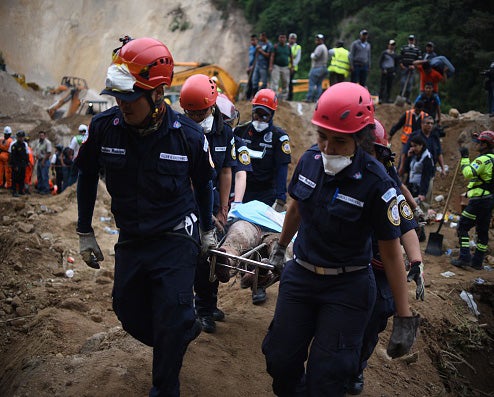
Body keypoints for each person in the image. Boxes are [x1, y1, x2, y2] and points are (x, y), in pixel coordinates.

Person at [75, 37, 215, 396]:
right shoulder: (104, 127)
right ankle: (182, 328)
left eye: (129, 96)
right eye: (117, 96)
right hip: (133, 237)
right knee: (127, 309)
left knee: (171, 313)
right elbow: (87, 175)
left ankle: (165, 385)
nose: (121, 104)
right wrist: (84, 231)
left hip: (175, 235)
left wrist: (206, 231)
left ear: (158, 93)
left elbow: (203, 183)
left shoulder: (188, 136)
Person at [262, 82, 418, 396]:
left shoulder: (378, 184)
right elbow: (295, 210)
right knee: (279, 358)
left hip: (348, 287)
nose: (328, 148)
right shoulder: (309, 161)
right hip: (302, 276)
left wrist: (403, 317)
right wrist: (279, 249)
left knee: (329, 373)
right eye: (322, 137)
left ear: (360, 140)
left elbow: (390, 254)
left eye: (339, 141)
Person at [347, 119, 425, 395]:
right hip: (347, 262)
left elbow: (406, 224)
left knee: (377, 315)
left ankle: (356, 367)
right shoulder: (341, 176)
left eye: (374, 154)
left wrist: (415, 262)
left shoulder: (387, 183)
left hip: (380, 266)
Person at [179, 74, 236, 334]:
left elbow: (225, 171)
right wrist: (203, 213)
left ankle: (207, 306)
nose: (196, 117)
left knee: (209, 256)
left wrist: (222, 210)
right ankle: (192, 309)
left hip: (212, 204)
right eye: (191, 112)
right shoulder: (181, 130)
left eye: (200, 111)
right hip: (186, 204)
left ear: (211, 106)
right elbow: (190, 177)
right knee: (189, 258)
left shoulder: (224, 133)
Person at [234, 88, 291, 210]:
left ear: (272, 115)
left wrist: (281, 200)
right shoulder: (240, 131)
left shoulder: (279, 137)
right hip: (241, 190)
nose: (259, 120)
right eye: (256, 115)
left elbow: (282, 169)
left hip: (266, 193)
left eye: (264, 116)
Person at [451, 131, 494, 270]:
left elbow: (468, 173)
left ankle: (464, 257)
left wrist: (464, 157)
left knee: (463, 226)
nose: (478, 145)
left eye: (481, 142)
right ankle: (477, 262)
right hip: (488, 200)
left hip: (478, 201)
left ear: (486, 145)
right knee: (482, 231)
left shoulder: (483, 159)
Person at [400, 116, 446, 198]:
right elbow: (405, 152)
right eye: (428, 123)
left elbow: (439, 153)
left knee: (425, 195)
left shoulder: (434, 137)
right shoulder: (415, 136)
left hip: (429, 170)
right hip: (415, 169)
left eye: (432, 123)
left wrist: (443, 168)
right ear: (422, 124)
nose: (430, 125)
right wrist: (402, 167)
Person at [405, 134, 435, 207]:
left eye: (415, 146)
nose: (413, 148)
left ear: (421, 145)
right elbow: (408, 169)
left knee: (421, 207)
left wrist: (422, 193)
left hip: (422, 186)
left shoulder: (427, 157)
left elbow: (426, 176)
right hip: (413, 186)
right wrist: (408, 157)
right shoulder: (414, 155)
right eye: (412, 146)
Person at [399, 34, 422, 104]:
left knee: (410, 84)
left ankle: (407, 98)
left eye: (412, 40)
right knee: (403, 82)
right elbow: (400, 57)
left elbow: (419, 59)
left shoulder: (417, 49)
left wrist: (414, 66)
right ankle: (401, 96)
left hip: (412, 68)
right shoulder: (404, 48)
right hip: (404, 67)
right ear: (408, 40)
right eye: (410, 40)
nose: (411, 41)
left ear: (414, 41)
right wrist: (401, 65)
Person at [305, 34, 328, 103]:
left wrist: (312, 55)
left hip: (317, 68)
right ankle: (317, 99)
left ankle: (309, 98)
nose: (317, 40)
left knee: (312, 84)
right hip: (323, 68)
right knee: (319, 84)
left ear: (321, 40)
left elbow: (315, 56)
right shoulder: (325, 47)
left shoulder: (320, 47)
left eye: (318, 39)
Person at [269, 33, 293, 101]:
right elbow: (272, 56)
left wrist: (292, 66)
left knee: (285, 82)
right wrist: (270, 66)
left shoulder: (288, 47)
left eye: (283, 38)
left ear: (286, 39)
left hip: (285, 67)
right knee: (275, 82)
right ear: (278, 38)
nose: (282, 39)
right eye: (281, 37)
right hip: (276, 66)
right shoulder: (275, 47)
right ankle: (273, 98)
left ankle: (283, 99)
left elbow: (291, 57)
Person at [251, 32, 272, 97]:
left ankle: (262, 95)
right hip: (257, 64)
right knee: (254, 80)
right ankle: (254, 96)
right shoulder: (260, 44)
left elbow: (269, 55)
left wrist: (261, 51)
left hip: (264, 66)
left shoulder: (269, 45)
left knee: (264, 82)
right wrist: (257, 49)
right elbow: (255, 53)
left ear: (264, 37)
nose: (260, 38)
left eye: (261, 37)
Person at [8, 130, 29, 197]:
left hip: (23, 164)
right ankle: (14, 192)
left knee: (22, 178)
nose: (21, 138)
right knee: (15, 178)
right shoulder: (14, 146)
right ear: (17, 137)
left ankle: (20, 190)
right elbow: (13, 157)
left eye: (22, 137)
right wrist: (15, 165)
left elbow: (25, 154)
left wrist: (27, 162)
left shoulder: (24, 144)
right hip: (17, 164)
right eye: (20, 137)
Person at [31, 130, 52, 194]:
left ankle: (46, 189)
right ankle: (40, 188)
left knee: (44, 176)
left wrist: (43, 161)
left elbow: (48, 153)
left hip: (45, 161)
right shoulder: (39, 142)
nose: (41, 136)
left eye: (42, 135)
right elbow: (37, 151)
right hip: (39, 160)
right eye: (40, 135)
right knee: (39, 175)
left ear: (45, 136)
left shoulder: (47, 143)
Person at [378, 39, 398, 104]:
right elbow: (380, 62)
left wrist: (395, 71)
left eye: (393, 45)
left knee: (389, 85)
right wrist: (383, 69)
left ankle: (387, 99)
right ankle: (380, 98)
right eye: (391, 45)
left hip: (391, 71)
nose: (392, 46)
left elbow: (396, 64)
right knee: (382, 85)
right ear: (388, 45)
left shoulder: (395, 55)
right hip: (385, 70)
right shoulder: (384, 53)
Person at [287, 33, 302, 101]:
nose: (292, 40)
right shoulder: (286, 46)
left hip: (293, 68)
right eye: (291, 38)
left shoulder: (298, 47)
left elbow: (297, 58)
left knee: (290, 82)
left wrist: (292, 66)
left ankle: (290, 97)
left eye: (293, 39)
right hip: (285, 67)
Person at [246, 34, 258, 100]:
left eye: (254, 40)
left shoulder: (258, 48)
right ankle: (248, 97)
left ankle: (253, 97)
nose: (252, 42)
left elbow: (256, 59)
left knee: (253, 82)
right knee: (249, 83)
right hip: (250, 67)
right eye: (251, 40)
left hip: (255, 67)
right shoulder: (251, 48)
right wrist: (248, 67)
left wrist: (252, 66)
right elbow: (250, 58)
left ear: (257, 40)